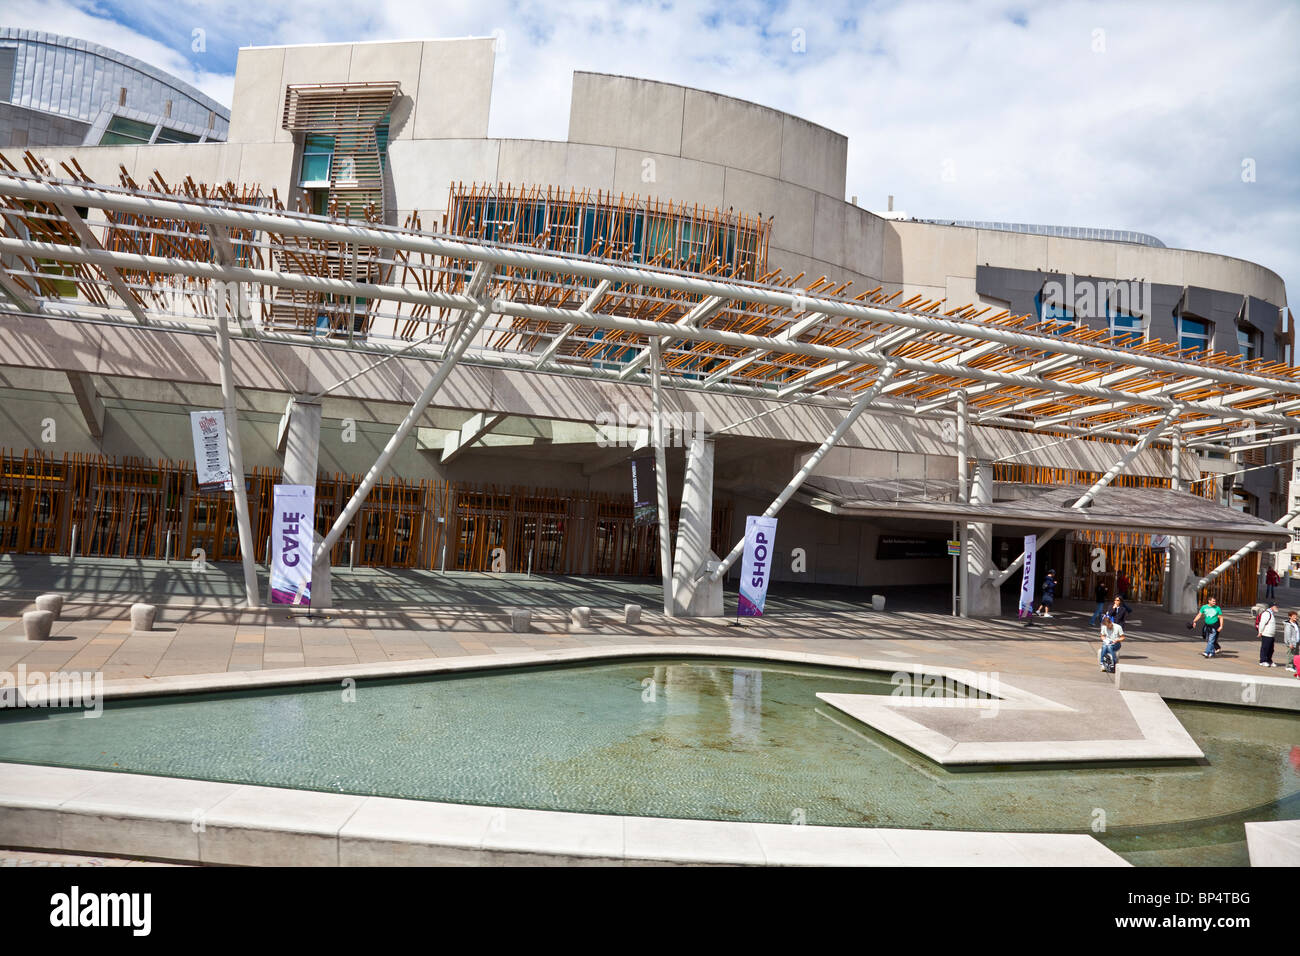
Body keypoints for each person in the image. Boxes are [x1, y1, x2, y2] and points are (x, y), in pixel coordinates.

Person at [1256, 600, 1279, 667]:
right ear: (1272, 606)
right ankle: (1263, 660)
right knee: (1265, 648)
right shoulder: (1266, 613)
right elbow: (1262, 623)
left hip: (1271, 634)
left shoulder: (1271, 613)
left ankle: (1269, 660)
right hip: (1266, 634)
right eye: (1276, 606)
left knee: (1271, 649)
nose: (1277, 607)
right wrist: (1260, 632)